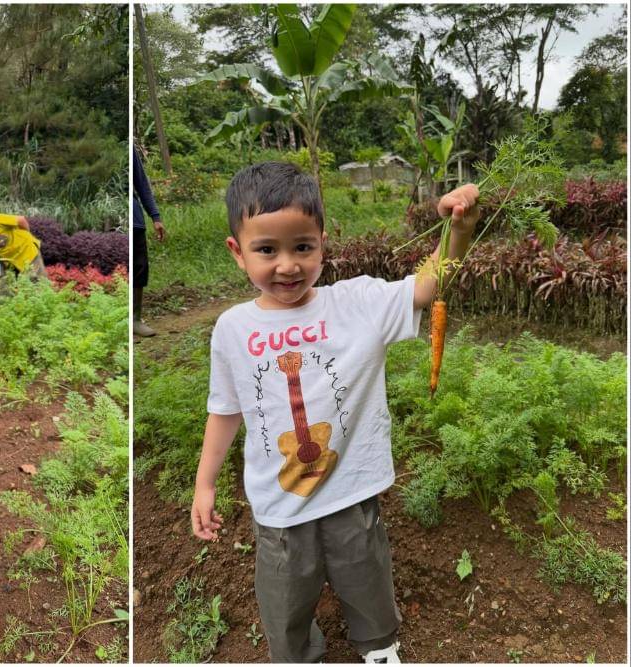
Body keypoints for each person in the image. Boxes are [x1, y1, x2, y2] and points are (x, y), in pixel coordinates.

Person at [190, 162, 480, 664]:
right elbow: (225, 410)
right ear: (237, 252)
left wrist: (459, 231)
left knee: (366, 574)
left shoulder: (358, 302)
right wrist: (205, 483)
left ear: (323, 243)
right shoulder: (232, 329)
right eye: (267, 250)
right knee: (285, 595)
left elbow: (430, 287)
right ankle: (298, 653)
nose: (288, 265)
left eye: (302, 246)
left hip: (350, 490)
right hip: (279, 506)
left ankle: (378, 645)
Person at [132, 147, 165, 337]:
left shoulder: (131, 149)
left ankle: (135, 319)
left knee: (140, 267)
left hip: (135, 220)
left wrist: (155, 216)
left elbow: (142, 183)